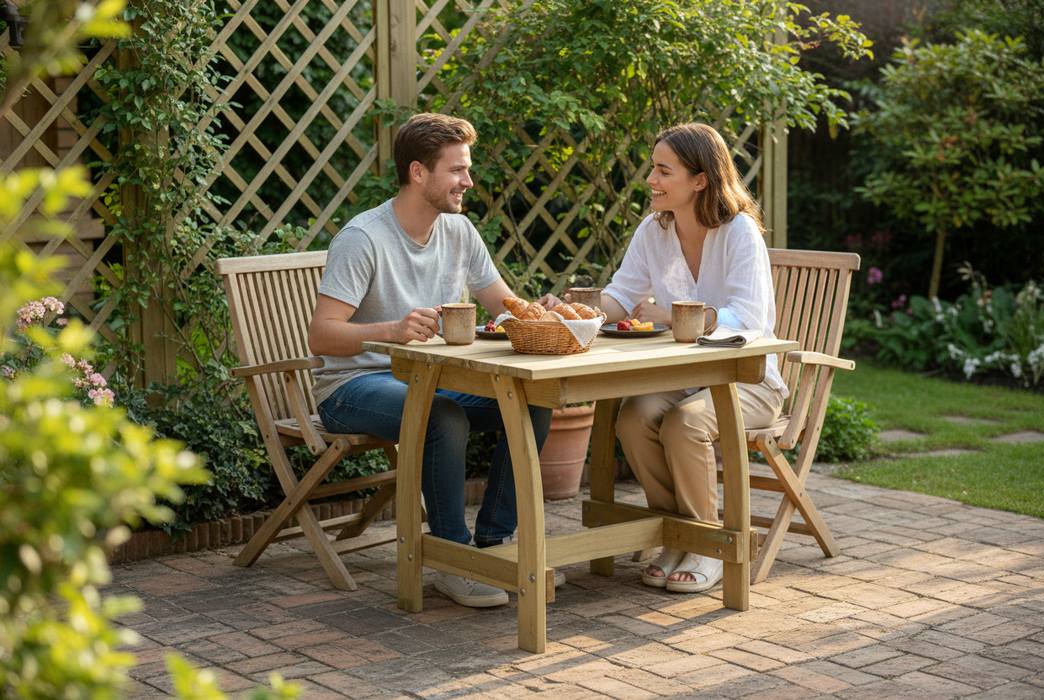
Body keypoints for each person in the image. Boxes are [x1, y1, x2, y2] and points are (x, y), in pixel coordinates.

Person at [307, 113, 557, 608]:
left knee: (533, 402)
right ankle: (451, 560)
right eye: (457, 170)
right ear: (418, 172)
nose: (468, 181)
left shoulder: (459, 232)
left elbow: (505, 308)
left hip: (430, 379)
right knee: (443, 416)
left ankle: (496, 547)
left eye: (468, 169)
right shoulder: (364, 238)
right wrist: (391, 331)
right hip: (353, 387)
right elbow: (321, 335)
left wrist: (540, 313)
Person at [599, 122, 789, 593]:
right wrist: (577, 312)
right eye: (653, 168)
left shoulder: (740, 232)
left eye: (664, 171)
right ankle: (675, 534)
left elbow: (748, 316)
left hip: (749, 381)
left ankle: (709, 545)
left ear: (700, 179)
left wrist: (670, 316)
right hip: (687, 379)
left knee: (685, 423)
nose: (651, 180)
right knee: (633, 418)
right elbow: (620, 296)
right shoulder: (654, 229)